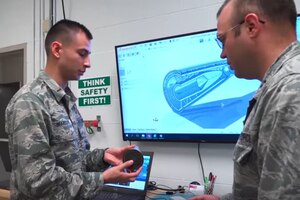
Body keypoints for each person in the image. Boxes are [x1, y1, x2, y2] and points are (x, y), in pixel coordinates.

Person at [5, 19, 142, 199]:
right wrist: (102, 178)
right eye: (82, 54)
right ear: (56, 50)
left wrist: (104, 156)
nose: (88, 63)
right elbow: (39, 183)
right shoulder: (30, 102)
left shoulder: (65, 100)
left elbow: (76, 160)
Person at [189, 0, 300, 199]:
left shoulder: (290, 92)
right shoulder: (275, 86)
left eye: (223, 40)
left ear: (251, 26)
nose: (222, 54)